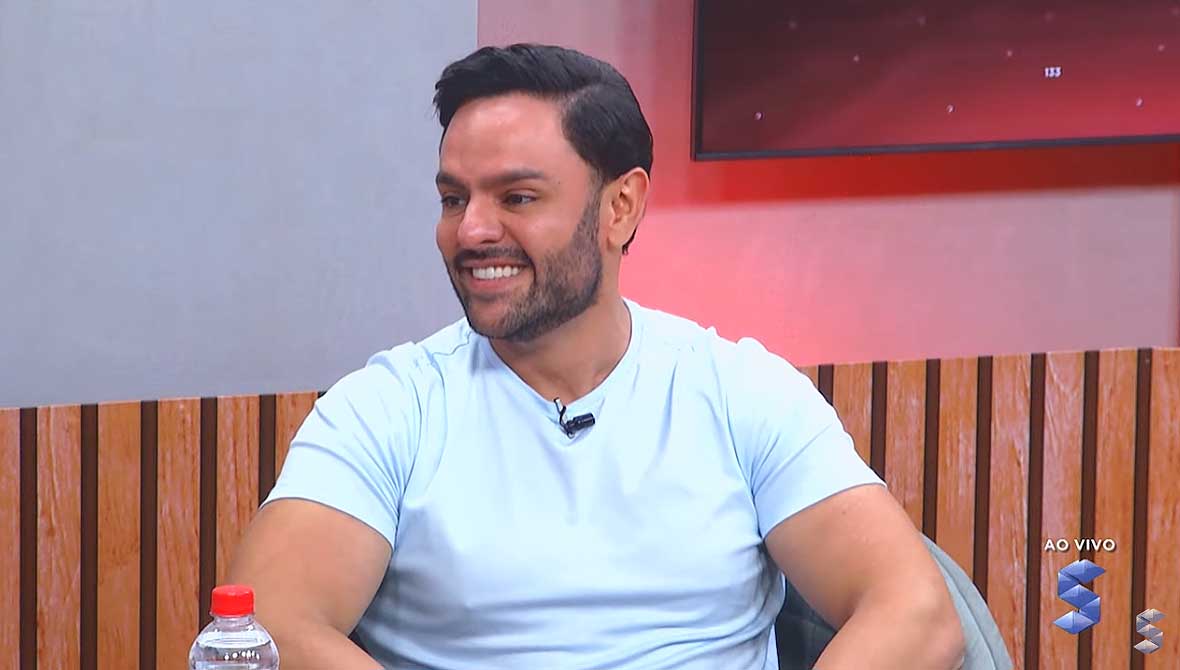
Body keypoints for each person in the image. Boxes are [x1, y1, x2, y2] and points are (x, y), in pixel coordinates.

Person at [226, 43, 966, 669]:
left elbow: (916, 612)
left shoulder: (740, 391)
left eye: (517, 198)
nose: (471, 231)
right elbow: (270, 626)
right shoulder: (386, 409)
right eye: (454, 200)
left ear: (621, 207)